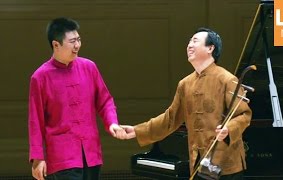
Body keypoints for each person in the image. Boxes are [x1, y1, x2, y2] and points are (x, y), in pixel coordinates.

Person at [123, 27, 252, 180]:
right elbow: (170, 119)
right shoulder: (185, 84)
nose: (189, 45)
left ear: (210, 48)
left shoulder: (227, 79)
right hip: (199, 163)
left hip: (226, 166)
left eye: (195, 41)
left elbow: (244, 114)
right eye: (189, 41)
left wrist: (228, 129)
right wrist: (137, 131)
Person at [28, 17, 126, 180]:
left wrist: (112, 122)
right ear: (56, 45)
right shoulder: (40, 77)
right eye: (72, 41)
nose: (77, 45)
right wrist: (38, 158)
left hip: (91, 151)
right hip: (61, 156)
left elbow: (105, 100)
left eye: (79, 40)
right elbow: (35, 121)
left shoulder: (89, 67)